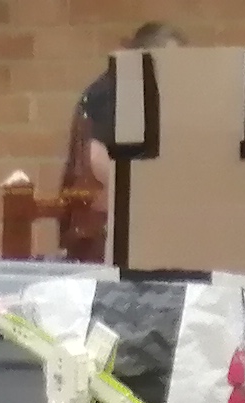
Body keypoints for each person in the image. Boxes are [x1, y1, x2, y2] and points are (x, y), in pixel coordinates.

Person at [60, 22, 179, 263]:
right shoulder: (114, 91)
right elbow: (95, 155)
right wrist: (145, 201)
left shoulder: (141, 90)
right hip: (106, 232)